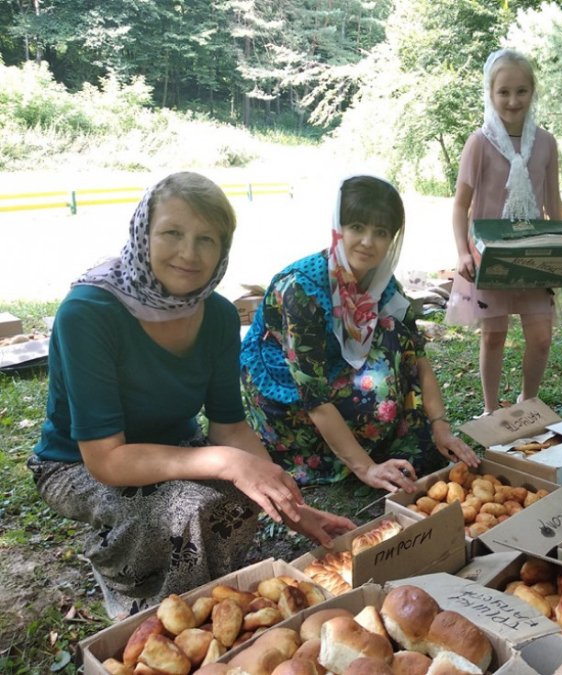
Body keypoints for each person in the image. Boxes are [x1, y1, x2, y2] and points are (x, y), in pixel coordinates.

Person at [28, 172, 355, 618]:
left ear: (223, 249)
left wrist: (291, 506)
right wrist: (225, 462)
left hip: (174, 446)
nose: (188, 253)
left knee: (245, 494)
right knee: (188, 508)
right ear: (143, 234)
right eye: (172, 233)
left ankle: (209, 602)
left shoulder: (218, 315)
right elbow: (106, 460)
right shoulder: (89, 313)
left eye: (206, 239)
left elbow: (229, 426)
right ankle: (144, 600)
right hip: (75, 464)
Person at [240, 176, 479, 495]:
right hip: (288, 394)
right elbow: (313, 395)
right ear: (338, 228)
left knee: (397, 339)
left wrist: (441, 426)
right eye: (356, 227)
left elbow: (418, 357)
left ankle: (382, 437)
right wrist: (366, 468)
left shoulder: (383, 284)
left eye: (381, 232)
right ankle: (346, 453)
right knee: (375, 393)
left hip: (336, 371)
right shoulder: (301, 290)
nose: (368, 242)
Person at [446, 49, 562, 415]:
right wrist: (462, 251)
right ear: (490, 93)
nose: (513, 101)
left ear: (533, 91)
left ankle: (527, 403)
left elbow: (554, 202)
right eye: (504, 92)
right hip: (490, 257)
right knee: (494, 336)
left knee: (541, 337)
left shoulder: (545, 143)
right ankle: (490, 410)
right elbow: (460, 205)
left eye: (521, 91)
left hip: (534, 254)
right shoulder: (479, 142)